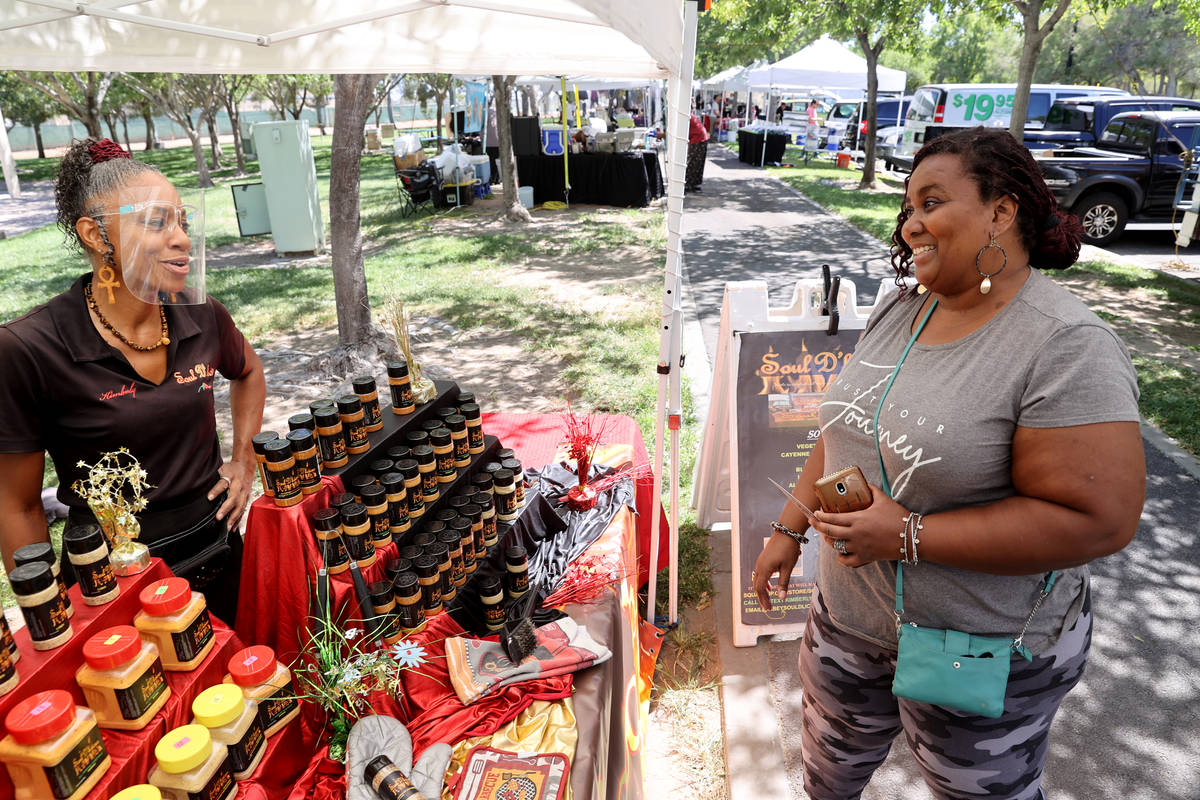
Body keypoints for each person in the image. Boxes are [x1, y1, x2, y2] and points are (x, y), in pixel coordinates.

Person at [753, 127, 1144, 800]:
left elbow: (1098, 521)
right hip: (849, 624)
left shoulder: (1067, 345)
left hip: (979, 650)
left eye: (931, 203)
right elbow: (844, 431)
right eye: (908, 207)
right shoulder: (902, 307)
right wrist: (788, 531)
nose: (911, 224)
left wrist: (907, 536)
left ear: (1001, 211)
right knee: (828, 776)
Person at [0, 138, 265, 625]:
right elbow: (17, 508)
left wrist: (245, 459)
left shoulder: (202, 314)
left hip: (216, 550)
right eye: (157, 222)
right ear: (96, 235)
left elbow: (247, 371)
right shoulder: (29, 347)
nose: (182, 239)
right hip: (114, 588)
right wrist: (50, 617)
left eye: (183, 222)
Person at [686, 110, 709, 194]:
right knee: (697, 162)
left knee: (693, 162)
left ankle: (689, 184)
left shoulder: (685, 116)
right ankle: (694, 183)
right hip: (701, 137)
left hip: (698, 138)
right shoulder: (688, 115)